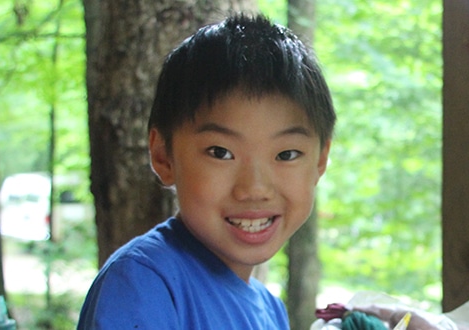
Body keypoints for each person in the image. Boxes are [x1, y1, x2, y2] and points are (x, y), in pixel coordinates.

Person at [77, 13, 335, 329]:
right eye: (221, 153)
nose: (254, 188)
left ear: (320, 161)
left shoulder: (270, 310)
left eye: (287, 154)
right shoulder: (142, 282)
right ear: (163, 156)